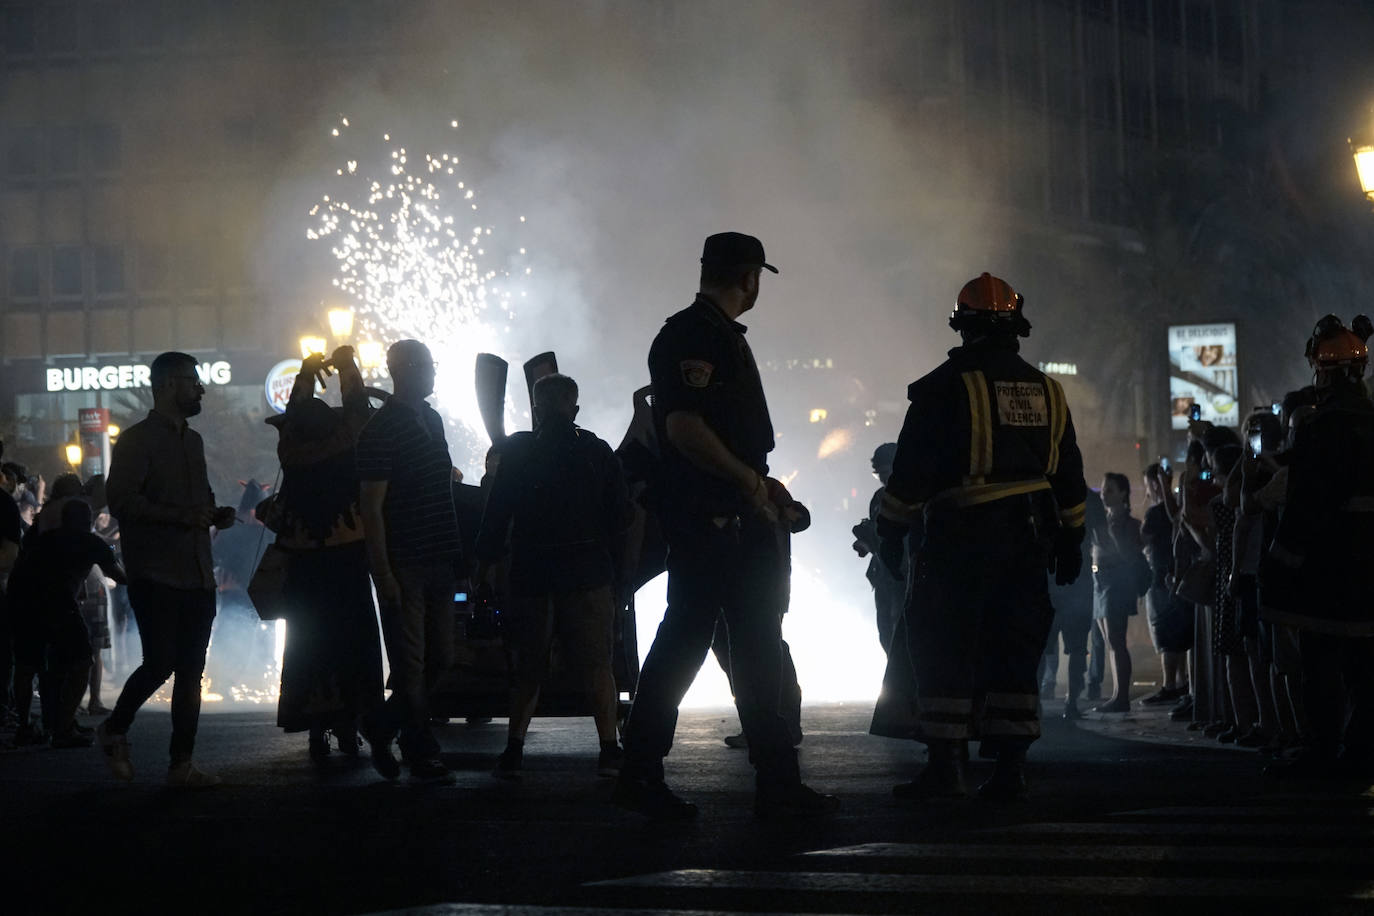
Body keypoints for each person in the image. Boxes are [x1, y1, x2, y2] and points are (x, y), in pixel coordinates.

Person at [613, 232, 838, 820]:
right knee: (697, 645)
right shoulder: (696, 335)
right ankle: (650, 776)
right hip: (714, 520)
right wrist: (749, 483)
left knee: (742, 647)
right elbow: (684, 429)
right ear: (750, 277)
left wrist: (757, 490)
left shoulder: (704, 334)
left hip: (729, 518)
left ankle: (772, 781)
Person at [876, 272, 1088, 801]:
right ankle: (1010, 770)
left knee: (944, 645)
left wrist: (891, 530)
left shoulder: (944, 387)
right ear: (1016, 328)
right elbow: (1069, 475)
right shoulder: (1049, 391)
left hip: (959, 542)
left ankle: (947, 768)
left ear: (962, 326)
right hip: (1029, 542)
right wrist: (1071, 539)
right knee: (1013, 650)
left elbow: (911, 473)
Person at [475, 373, 633, 779]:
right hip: (588, 573)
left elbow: (496, 516)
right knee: (598, 664)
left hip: (532, 573)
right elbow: (623, 517)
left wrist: (485, 567)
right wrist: (621, 576)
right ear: (574, 408)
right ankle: (608, 748)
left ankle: (514, 748)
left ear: (536, 408)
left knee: (528, 668)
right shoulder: (597, 451)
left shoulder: (519, 453)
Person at [97, 351, 237, 787]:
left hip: (196, 573)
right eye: (192, 380)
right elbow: (121, 501)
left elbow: (199, 501)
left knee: (191, 671)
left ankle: (181, 764)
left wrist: (214, 515)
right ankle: (115, 728)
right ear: (168, 385)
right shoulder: (137, 441)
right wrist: (182, 517)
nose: (200, 388)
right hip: (155, 572)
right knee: (161, 662)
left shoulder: (192, 441)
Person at [1262, 316, 1374, 778]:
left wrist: (1282, 557)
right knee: (1365, 670)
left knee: (1320, 665)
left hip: (1330, 569)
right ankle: (1361, 750)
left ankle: (1324, 751)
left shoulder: (1320, 426)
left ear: (1322, 371)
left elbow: (1309, 501)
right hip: (1369, 569)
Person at [265, 348, 384, 761]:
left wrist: (305, 371)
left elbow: (294, 412)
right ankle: (354, 724)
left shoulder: (291, 452)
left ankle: (318, 728)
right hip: (347, 555)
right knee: (353, 643)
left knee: (309, 646)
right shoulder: (347, 443)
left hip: (304, 561)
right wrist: (346, 364)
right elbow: (356, 407)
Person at [357, 339, 464, 784]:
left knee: (441, 657)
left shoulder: (432, 420)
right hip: (406, 561)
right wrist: (383, 572)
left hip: (439, 556)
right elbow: (371, 507)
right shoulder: (380, 430)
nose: (434, 373)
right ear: (404, 369)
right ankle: (421, 749)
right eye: (428, 366)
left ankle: (382, 725)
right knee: (411, 664)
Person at [8, 499, 126, 747]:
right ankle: (63, 728)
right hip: (58, 603)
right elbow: (119, 576)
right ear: (89, 520)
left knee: (27, 666)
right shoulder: (91, 542)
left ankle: (26, 726)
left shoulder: (45, 538)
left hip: (22, 601)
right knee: (83, 660)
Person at [1040, 488, 1102, 720]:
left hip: (1048, 579)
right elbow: (1101, 537)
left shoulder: (1044, 495)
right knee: (1077, 647)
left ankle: (1035, 702)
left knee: (1041, 644)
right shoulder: (1090, 499)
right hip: (1079, 578)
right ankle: (1071, 702)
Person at [1092, 473, 1146, 713]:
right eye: (1104, 490)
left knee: (1116, 639)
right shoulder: (1103, 519)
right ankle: (1116, 694)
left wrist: (1112, 535)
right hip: (1101, 582)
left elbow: (1129, 554)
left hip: (1116, 584)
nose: (1104, 494)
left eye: (1110, 490)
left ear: (1123, 493)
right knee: (1109, 641)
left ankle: (1121, 696)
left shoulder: (1129, 524)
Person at [1140, 463, 1191, 706]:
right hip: (1178, 575)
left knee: (1164, 632)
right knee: (1180, 635)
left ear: (1153, 483)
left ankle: (1169, 684)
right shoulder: (1179, 508)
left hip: (1160, 576)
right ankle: (1182, 684)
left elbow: (1142, 541)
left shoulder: (1154, 513)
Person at [853, 443, 904, 653]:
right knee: (887, 634)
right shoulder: (879, 498)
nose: (883, 479)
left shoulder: (909, 495)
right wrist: (866, 542)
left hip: (903, 577)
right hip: (884, 577)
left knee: (901, 632)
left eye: (886, 472)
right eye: (879, 474)